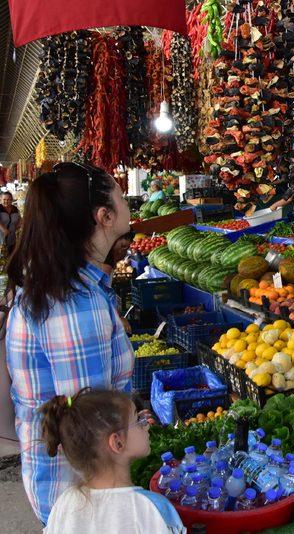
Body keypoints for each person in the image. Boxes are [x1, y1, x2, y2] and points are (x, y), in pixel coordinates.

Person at [5, 162, 135, 525]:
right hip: (82, 499)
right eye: (121, 196)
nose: (128, 204)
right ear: (104, 216)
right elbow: (90, 426)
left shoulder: (63, 287)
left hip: (67, 489)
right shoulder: (73, 304)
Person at [41, 388, 185, 534]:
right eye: (138, 420)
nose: (146, 425)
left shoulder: (63, 505)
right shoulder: (152, 508)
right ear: (117, 443)